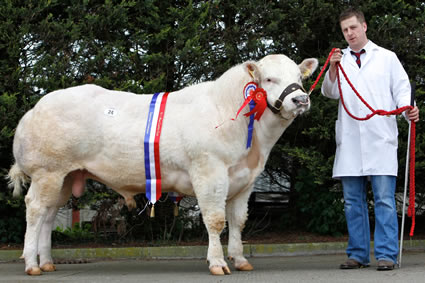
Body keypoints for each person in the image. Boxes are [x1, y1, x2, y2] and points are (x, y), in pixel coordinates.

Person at [321, 7, 420, 271]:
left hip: (380, 138)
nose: (349, 33)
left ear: (364, 26)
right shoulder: (339, 60)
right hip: (351, 140)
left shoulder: (387, 58)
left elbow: (402, 88)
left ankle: (387, 254)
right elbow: (330, 92)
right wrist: (332, 67)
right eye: (345, 30)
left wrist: (408, 108)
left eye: (353, 27)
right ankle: (358, 254)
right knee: (353, 201)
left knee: (385, 200)